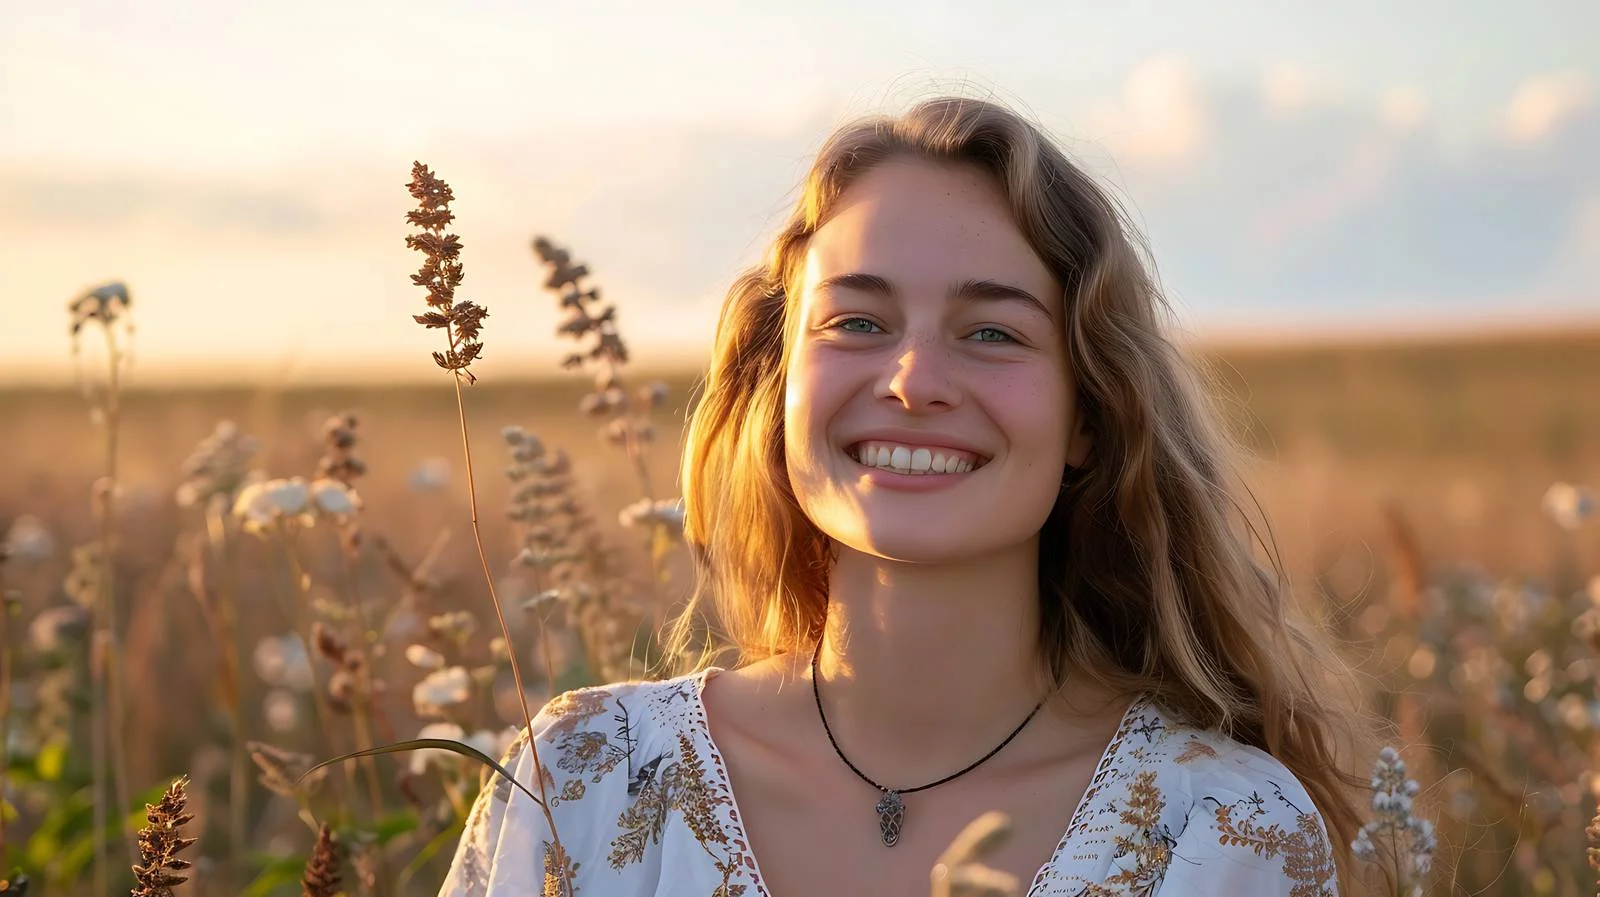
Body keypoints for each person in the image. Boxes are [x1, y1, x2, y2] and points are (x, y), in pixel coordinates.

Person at [438, 93, 1374, 897]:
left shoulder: (1216, 827)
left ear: (1089, 413)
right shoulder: (584, 781)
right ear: (779, 388)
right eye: (856, 321)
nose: (913, 378)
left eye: (994, 333)